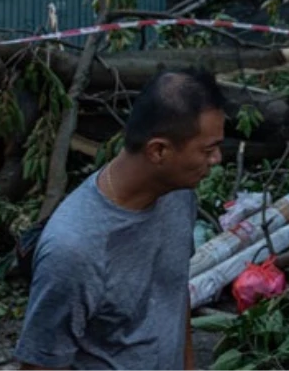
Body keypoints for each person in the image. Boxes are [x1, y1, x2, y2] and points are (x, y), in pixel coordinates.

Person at [14, 67, 226, 370]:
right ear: (158, 151)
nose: (217, 159)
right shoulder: (74, 250)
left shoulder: (178, 194)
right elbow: (39, 364)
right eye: (208, 149)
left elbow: (174, 293)